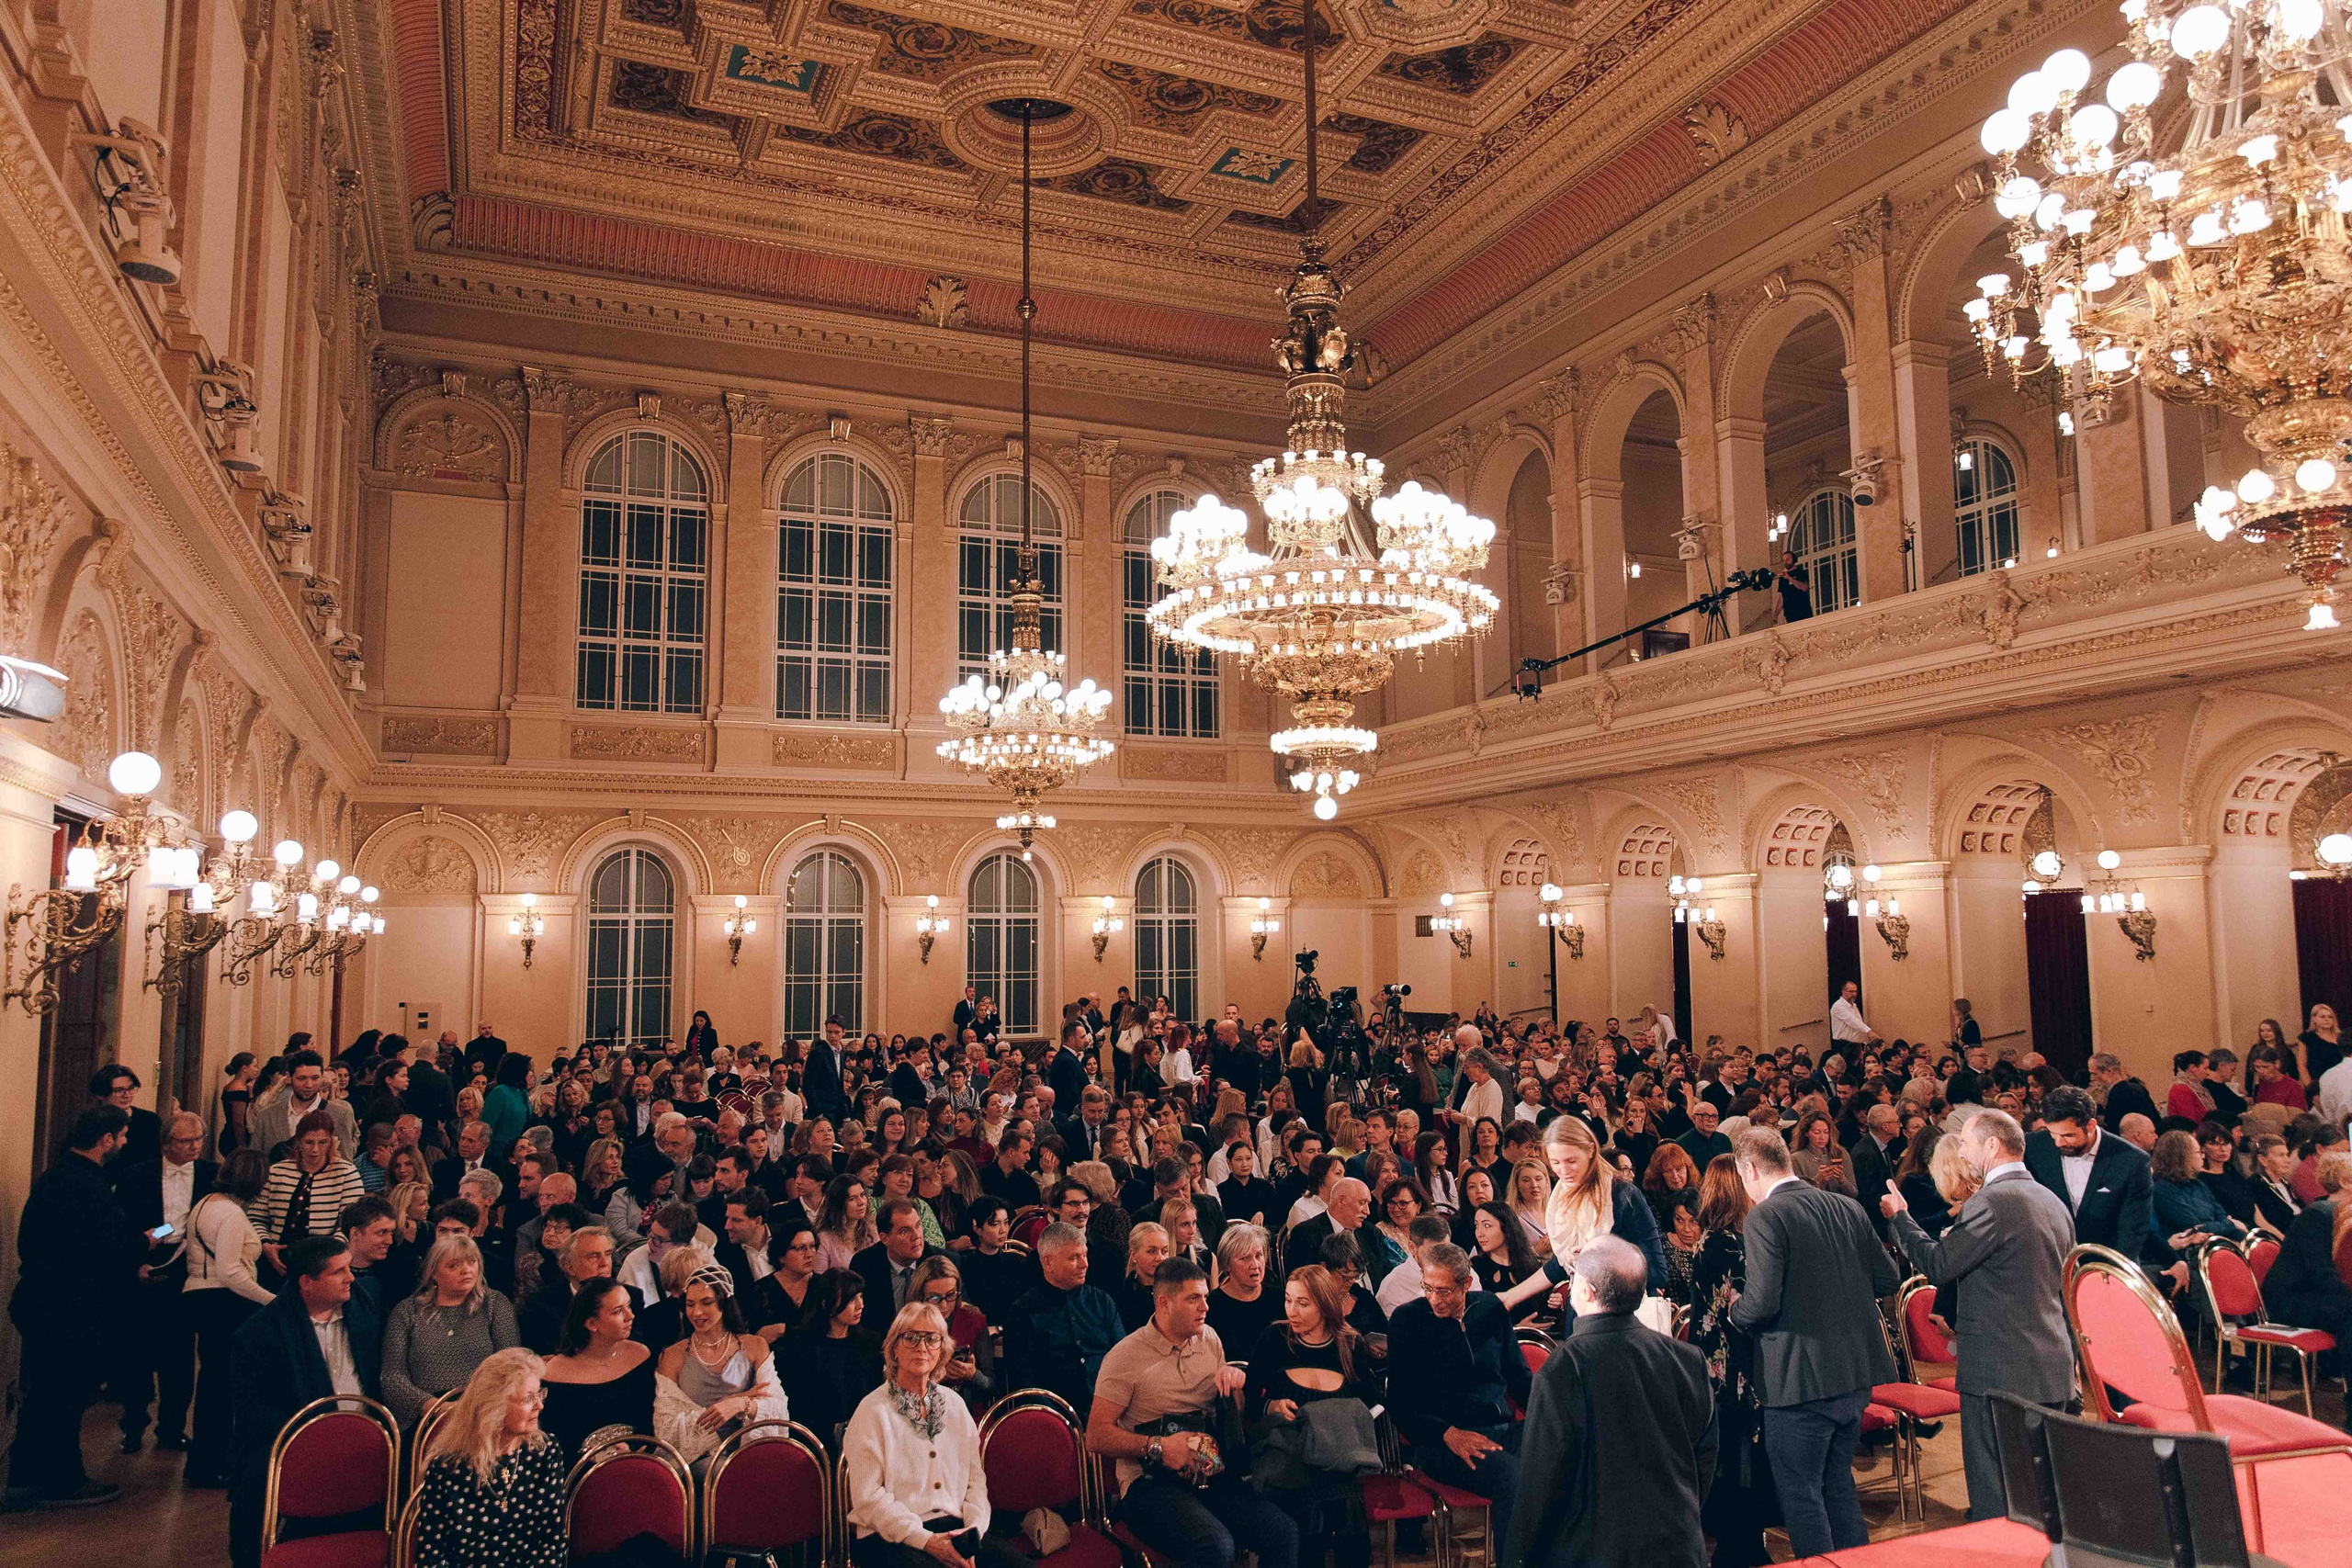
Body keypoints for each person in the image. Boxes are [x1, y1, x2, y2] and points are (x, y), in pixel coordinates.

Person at [1879, 1109, 2076, 1520]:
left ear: (1992, 1144)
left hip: (2000, 1372)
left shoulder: (1993, 1202)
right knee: (2043, 1498)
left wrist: (1900, 1218)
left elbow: (1940, 1264)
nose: (1963, 1152)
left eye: (1967, 1143)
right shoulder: (2051, 1199)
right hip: (2051, 1365)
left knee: (1995, 1500)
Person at [1725, 1128, 1897, 1558]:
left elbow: (1760, 1303)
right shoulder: (1847, 1207)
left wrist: (1734, 1310)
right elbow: (1888, 1277)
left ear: (1748, 1169)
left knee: (1802, 1497)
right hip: (1855, 1375)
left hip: (1799, 1381)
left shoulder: (1766, 1216)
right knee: (1838, 1486)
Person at [1506, 1236, 1717, 1568]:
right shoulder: (1688, 1358)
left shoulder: (1563, 1369)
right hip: (1677, 1546)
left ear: (1586, 1290)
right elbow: (1704, 1460)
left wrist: (1518, 1559)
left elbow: (1541, 1485)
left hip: (1591, 1553)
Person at [1088, 1258, 1297, 1568]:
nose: (1205, 1307)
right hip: (1149, 1484)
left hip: (1209, 1471)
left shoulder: (1209, 1338)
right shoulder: (1125, 1357)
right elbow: (1095, 1435)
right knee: (1214, 1545)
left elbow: (1232, 1417)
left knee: (1283, 1532)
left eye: (1205, 1298)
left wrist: (1235, 1390)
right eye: (1193, 1299)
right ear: (1164, 1303)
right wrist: (1158, 1447)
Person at [5, 1105, 141, 1509]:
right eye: (123, 1136)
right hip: (70, 1310)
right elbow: (101, 1248)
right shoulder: (86, 1185)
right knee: (64, 1397)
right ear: (106, 1140)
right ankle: (63, 1480)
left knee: (45, 1396)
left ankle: (27, 1479)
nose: (125, 1142)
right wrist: (141, 1247)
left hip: (44, 1302)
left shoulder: (58, 1177)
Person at [228, 1236, 383, 1568]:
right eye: (338, 1272)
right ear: (307, 1283)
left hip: (367, 1438)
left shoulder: (364, 1304)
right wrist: (318, 1440)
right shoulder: (258, 1334)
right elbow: (253, 1411)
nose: (350, 1277)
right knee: (253, 1484)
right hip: (295, 1443)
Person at [842, 1301, 1030, 1568]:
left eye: (932, 1339)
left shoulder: (954, 1405)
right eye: (911, 1338)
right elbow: (868, 1499)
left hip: (957, 1529)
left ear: (942, 1350)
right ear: (894, 1348)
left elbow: (975, 1482)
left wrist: (973, 1533)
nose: (922, 1347)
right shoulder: (872, 1411)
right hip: (891, 1538)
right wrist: (926, 1540)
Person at [1387, 1244, 1531, 1543]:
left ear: (1466, 1283)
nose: (1434, 1299)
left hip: (1501, 1429)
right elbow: (1399, 1403)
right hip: (1442, 1442)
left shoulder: (1490, 1308)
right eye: (1428, 1288)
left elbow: (1519, 1378)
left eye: (1444, 1291)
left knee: (1568, 1455)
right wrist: (1448, 1434)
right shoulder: (1407, 1320)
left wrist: (1551, 1417)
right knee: (1512, 1478)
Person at [1244, 1266, 1377, 1568]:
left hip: (1335, 1456)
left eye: (1303, 1303)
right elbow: (1250, 1401)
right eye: (1289, 1300)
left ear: (1325, 1304)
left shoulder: (1349, 1344)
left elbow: (1369, 1402)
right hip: (1287, 1455)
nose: (1293, 1311)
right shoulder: (1274, 1338)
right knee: (1308, 1508)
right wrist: (1271, 1406)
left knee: (1348, 1510)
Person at [110, 1109, 215, 1456]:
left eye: (198, 1139)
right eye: (186, 1141)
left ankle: (171, 1427)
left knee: (180, 1355)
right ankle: (133, 1424)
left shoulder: (211, 1176)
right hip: (144, 1266)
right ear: (167, 1143)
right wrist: (136, 1260)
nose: (194, 1147)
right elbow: (123, 1227)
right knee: (135, 1352)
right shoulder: (135, 1176)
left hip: (188, 1269)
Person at [1686, 1156, 1773, 1568]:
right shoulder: (1721, 1243)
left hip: (1735, 1359)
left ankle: (1747, 1539)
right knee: (1738, 1455)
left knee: (1745, 1455)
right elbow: (1737, 1309)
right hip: (1731, 1365)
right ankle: (1740, 1546)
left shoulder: (1732, 1238)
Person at [413, 1347, 567, 1568]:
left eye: (540, 1393)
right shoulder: (447, 1466)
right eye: (528, 1398)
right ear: (494, 1407)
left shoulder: (545, 1451)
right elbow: (432, 1556)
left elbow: (551, 1542)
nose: (540, 1406)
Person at [182, 1149, 276, 1488]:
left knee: (212, 1384)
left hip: (199, 1297)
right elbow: (231, 1271)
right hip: (224, 1303)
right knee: (223, 1388)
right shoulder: (233, 1214)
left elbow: (180, 1239)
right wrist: (273, 1301)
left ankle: (203, 1461)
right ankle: (214, 1462)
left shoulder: (205, 1203)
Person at [381, 1234, 523, 1428]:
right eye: (453, 1265)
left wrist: (477, 1407)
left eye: (471, 1262)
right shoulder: (407, 1311)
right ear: (433, 1273)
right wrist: (434, 1406)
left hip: (484, 1413)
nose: (466, 1270)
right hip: (427, 1416)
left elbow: (511, 1365)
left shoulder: (495, 1304)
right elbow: (392, 1377)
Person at [653, 1260, 788, 1461]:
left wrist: (739, 1404)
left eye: (706, 1303)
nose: (697, 1312)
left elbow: (778, 1407)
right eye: (690, 1304)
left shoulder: (755, 1346)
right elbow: (666, 1428)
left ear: (724, 1303)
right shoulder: (673, 1355)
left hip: (749, 1452)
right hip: (699, 1459)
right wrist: (733, 1401)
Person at [2024, 1085, 2153, 1265]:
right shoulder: (2032, 1147)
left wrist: (2112, 1273)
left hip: (2107, 1266)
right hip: (2050, 1266)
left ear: (2091, 1125)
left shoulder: (2132, 1161)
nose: (2059, 1142)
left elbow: (2132, 1231)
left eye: (2068, 1135)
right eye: (2053, 1134)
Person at [1005, 1222, 1124, 1410]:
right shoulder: (1023, 1312)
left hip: (1108, 1410)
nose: (1085, 1264)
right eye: (1074, 1258)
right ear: (1048, 1262)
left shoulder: (1102, 1302)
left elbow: (1122, 1361)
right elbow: (1025, 1383)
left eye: (1085, 1255)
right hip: (1053, 1419)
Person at [537, 1279, 655, 1459]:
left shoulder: (640, 1354)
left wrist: (632, 1445)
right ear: (592, 1324)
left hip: (637, 1461)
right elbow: (556, 1441)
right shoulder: (555, 1374)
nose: (630, 1316)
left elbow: (650, 1419)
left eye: (629, 1306)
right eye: (617, 1311)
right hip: (581, 1472)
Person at [252, 1111, 370, 1278]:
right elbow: (257, 1216)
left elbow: (349, 1224)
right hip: (276, 1256)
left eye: (322, 1142)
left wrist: (325, 1257)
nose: (315, 1150)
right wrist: (266, 1245)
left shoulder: (346, 1173)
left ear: (331, 1142)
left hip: (322, 1261)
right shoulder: (277, 1171)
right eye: (309, 1142)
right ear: (298, 1142)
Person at [780, 1269, 884, 1449]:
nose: (861, 1305)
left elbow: (875, 1394)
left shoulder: (870, 1342)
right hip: (816, 1441)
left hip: (864, 1434)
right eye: (852, 1299)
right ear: (825, 1302)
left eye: (860, 1297)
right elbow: (799, 1406)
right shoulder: (799, 1347)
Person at [2264, 1152, 2352, 1345]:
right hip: (2295, 1298)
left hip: (2323, 1293)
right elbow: (2321, 1272)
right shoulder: (2317, 1215)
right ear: (2346, 1182)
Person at [249, 1049, 357, 1161]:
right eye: (302, 1078)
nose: (309, 1085)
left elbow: (346, 1163)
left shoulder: (341, 1114)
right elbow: (256, 1162)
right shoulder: (267, 1115)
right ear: (289, 1077)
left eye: (315, 1078)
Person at [854, 1197, 946, 1328]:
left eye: (918, 1226)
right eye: (904, 1231)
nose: (916, 1236)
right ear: (885, 1238)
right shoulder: (864, 1265)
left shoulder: (940, 1261)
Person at [1206, 1222, 1279, 1350]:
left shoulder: (1279, 1299)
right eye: (1245, 1258)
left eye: (1258, 1256)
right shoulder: (1211, 1306)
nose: (1255, 1265)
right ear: (1227, 1265)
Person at [1827, 981, 1878, 1049]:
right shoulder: (1838, 1006)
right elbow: (1852, 1021)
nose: (1854, 994)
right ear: (1843, 992)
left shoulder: (1853, 1005)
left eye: (1855, 991)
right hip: (1844, 1045)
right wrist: (1869, 1031)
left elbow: (1859, 1023)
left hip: (1856, 1044)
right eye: (1851, 991)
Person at [1774, 549, 1813, 624]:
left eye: (1788, 559)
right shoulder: (1782, 579)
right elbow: (1781, 598)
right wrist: (1776, 614)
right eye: (1784, 560)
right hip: (1790, 613)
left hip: (1803, 610)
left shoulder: (1801, 573)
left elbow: (1804, 587)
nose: (1786, 562)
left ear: (1794, 559)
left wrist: (1790, 578)